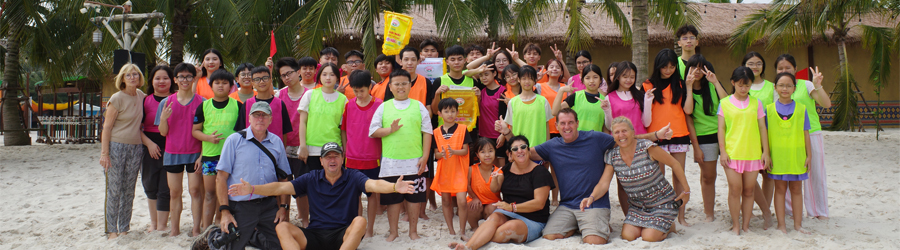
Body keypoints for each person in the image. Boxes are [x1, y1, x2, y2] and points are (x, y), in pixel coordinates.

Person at [498, 108, 673, 245]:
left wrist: (656, 135)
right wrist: (507, 134)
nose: (567, 127)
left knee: (594, 242)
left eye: (570, 122)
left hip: (594, 203)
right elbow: (522, 152)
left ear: (577, 123)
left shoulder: (595, 138)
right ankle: (584, 226)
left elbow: (627, 139)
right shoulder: (552, 146)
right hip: (567, 205)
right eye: (563, 123)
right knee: (550, 235)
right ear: (557, 126)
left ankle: (594, 227)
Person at [227, 142, 417, 250]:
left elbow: (373, 184)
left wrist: (394, 187)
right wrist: (252, 189)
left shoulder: (352, 175)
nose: (332, 160)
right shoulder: (312, 177)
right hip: (315, 234)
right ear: (321, 160)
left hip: (343, 235)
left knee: (360, 220)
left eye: (336, 156)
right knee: (283, 227)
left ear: (342, 159)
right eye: (328, 157)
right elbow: (280, 188)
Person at [590, 117, 690, 242]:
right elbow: (603, 183)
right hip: (638, 207)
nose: (621, 135)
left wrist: (686, 190)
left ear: (633, 132)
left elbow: (675, 164)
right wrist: (592, 197)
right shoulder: (612, 156)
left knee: (649, 237)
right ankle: (654, 226)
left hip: (661, 203)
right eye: (616, 132)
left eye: (624, 131)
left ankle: (669, 226)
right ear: (613, 136)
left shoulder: (647, 147)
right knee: (628, 236)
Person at [448, 136, 554, 250]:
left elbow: (539, 203)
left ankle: (473, 243)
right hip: (507, 213)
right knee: (493, 219)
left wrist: (512, 207)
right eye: (515, 149)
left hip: (533, 219)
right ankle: (467, 247)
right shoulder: (506, 169)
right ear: (510, 154)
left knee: (508, 228)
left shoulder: (540, 172)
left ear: (529, 150)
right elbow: (494, 189)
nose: (520, 151)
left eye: (523, 147)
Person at [214, 101, 292, 249]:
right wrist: (225, 211)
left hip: (269, 206)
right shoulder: (234, 140)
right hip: (241, 206)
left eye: (264, 115)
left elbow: (284, 178)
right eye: (257, 115)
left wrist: (283, 207)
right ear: (249, 118)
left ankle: (253, 236)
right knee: (233, 247)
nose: (260, 119)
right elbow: (221, 178)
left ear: (271, 119)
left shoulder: (277, 142)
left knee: (279, 245)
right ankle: (217, 235)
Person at [369, 69, 433, 241]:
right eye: (396, 84)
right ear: (390, 86)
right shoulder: (383, 107)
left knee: (414, 199)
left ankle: (413, 231)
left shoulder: (418, 106)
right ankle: (393, 232)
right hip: (390, 163)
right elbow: (373, 131)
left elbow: (427, 132)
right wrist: (390, 130)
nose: (401, 87)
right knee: (393, 200)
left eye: (404, 83)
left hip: (415, 162)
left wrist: (425, 156)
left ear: (410, 85)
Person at [773, 54, 831, 220]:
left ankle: (819, 211)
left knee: (815, 173)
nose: (784, 70)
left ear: (795, 69)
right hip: (786, 138)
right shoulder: (776, 88)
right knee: (789, 174)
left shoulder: (806, 85)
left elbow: (826, 104)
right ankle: (790, 211)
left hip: (811, 133)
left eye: (788, 67)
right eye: (780, 68)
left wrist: (818, 86)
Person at [717, 66, 773, 235]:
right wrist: (723, 151)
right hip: (732, 154)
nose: (743, 89)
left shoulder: (757, 103)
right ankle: (736, 225)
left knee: (749, 191)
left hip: (753, 154)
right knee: (735, 189)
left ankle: (746, 225)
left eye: (747, 85)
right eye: (740, 85)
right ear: (733, 83)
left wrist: (766, 152)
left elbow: (763, 128)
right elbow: (721, 129)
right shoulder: (724, 103)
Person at [191, 69, 246, 233]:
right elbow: (195, 131)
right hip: (210, 156)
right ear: (211, 85)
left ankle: (225, 224)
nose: (221, 86)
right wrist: (208, 138)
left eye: (224, 83)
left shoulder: (238, 105)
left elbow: (244, 132)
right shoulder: (204, 106)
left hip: (233, 158)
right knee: (209, 193)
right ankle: (207, 229)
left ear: (231, 86)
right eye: (217, 83)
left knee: (231, 193)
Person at [642, 49, 691, 225]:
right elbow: (643, 115)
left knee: (679, 176)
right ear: (658, 66)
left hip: (679, 134)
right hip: (656, 136)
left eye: (671, 66)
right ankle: (661, 214)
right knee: (658, 177)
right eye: (664, 67)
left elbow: (687, 111)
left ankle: (681, 216)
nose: (668, 70)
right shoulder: (647, 85)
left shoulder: (681, 84)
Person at [157, 63, 205, 237]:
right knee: (175, 192)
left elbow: (204, 132)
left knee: (195, 191)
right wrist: (163, 118)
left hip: (195, 153)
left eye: (188, 76)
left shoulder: (202, 102)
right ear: (175, 80)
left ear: (194, 78)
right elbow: (163, 132)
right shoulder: (166, 102)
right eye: (181, 77)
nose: (185, 80)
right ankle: (174, 229)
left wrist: (202, 156)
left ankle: (196, 228)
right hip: (172, 153)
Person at [100, 63, 147, 240]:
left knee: (129, 190)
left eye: (135, 74)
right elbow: (107, 128)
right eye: (128, 75)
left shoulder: (142, 96)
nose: (132, 77)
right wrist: (105, 153)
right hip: (116, 146)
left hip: (136, 147)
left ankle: (124, 227)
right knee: (114, 189)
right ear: (122, 78)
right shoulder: (117, 98)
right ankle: (111, 230)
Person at [603, 61, 652, 215]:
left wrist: (648, 101)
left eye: (632, 76)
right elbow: (610, 125)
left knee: (643, 181)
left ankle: (645, 212)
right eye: (625, 76)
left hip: (640, 142)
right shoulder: (609, 97)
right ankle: (628, 215)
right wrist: (606, 110)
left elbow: (646, 122)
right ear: (617, 77)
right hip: (620, 145)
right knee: (623, 183)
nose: (629, 80)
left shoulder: (640, 95)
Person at [684, 54, 728, 222]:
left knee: (736, 171)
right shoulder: (685, 88)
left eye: (700, 67)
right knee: (709, 176)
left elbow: (727, 103)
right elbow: (688, 111)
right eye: (693, 67)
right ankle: (709, 213)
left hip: (724, 134)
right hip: (704, 137)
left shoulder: (711, 85)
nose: (697, 71)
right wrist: (688, 87)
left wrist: (715, 82)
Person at [341, 70, 384, 238]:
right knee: (355, 196)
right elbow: (343, 129)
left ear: (370, 87)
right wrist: (345, 150)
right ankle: (358, 228)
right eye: (356, 90)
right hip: (352, 158)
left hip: (373, 158)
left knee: (372, 194)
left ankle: (371, 228)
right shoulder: (349, 104)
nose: (359, 94)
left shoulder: (379, 104)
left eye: (362, 91)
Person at [767, 73, 812, 234]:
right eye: (781, 85)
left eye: (788, 85)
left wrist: (809, 156)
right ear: (775, 87)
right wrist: (766, 154)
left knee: (796, 190)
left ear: (794, 88)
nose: (784, 88)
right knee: (779, 189)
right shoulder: (769, 110)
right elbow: (764, 134)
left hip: (796, 156)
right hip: (777, 157)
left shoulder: (802, 109)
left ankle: (798, 225)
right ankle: (781, 224)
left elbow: (806, 133)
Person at [432, 98, 472, 237]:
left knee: (461, 201)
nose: (450, 114)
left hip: (459, 171)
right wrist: (441, 154)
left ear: (457, 112)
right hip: (445, 172)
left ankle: (462, 230)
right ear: (440, 113)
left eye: (453, 111)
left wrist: (454, 152)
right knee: (445, 201)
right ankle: (451, 230)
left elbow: (466, 151)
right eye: (446, 111)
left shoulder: (462, 129)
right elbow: (436, 155)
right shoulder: (436, 132)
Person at [742, 51, 777, 213]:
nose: (754, 67)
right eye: (750, 63)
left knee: (768, 175)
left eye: (758, 63)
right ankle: (764, 207)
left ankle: (765, 210)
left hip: (768, 135)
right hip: (747, 138)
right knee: (748, 176)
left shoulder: (772, 87)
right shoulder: (741, 87)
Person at [142, 65, 174, 233]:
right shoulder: (144, 100)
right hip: (149, 144)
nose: (161, 81)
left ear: (172, 80)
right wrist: (148, 144)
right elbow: (136, 128)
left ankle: (162, 225)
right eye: (157, 78)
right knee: (149, 184)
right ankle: (153, 223)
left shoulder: (176, 99)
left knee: (165, 187)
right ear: (152, 81)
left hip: (171, 145)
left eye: (165, 78)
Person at [502, 66, 551, 146]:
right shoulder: (513, 102)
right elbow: (511, 128)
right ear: (519, 80)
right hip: (519, 150)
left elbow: (546, 127)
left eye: (530, 78)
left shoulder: (543, 101)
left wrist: (547, 148)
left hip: (539, 149)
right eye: (524, 79)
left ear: (535, 80)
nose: (527, 82)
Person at [471, 61, 508, 167]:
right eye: (481, 75)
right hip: (484, 136)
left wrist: (503, 135)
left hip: (499, 137)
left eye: (486, 74)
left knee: (501, 169)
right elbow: (466, 71)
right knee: (488, 168)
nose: (483, 78)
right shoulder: (480, 91)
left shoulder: (503, 91)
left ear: (495, 73)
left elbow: (505, 116)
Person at [244, 66, 294, 143]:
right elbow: (241, 130)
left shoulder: (280, 104)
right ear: (252, 83)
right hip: (251, 149)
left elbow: (284, 132)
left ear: (271, 80)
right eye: (257, 79)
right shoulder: (247, 104)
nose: (261, 82)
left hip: (274, 149)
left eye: (265, 78)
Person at [552, 64, 607, 132]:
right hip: (577, 140)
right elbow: (555, 112)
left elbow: (605, 126)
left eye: (595, 77)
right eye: (587, 78)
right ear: (583, 80)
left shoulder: (605, 100)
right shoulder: (576, 96)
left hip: (596, 141)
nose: (592, 81)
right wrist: (561, 90)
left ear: (601, 80)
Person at [465, 138, 502, 232]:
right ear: (477, 155)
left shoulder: (499, 172)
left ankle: (489, 228)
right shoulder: (471, 169)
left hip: (492, 202)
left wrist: (494, 178)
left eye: (490, 151)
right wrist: (474, 197)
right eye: (483, 152)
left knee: (492, 208)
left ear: (495, 152)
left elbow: (495, 189)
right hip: (476, 201)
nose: (487, 155)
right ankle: (474, 228)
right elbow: (468, 186)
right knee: (471, 206)